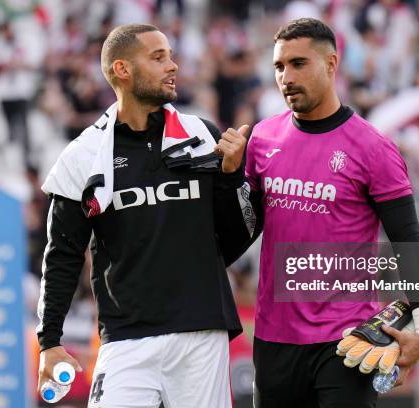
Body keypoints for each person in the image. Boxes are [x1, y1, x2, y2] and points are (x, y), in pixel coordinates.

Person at [36, 24, 255, 408]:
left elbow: (234, 239)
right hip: (125, 338)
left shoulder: (202, 134)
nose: (172, 66)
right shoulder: (82, 155)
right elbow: (62, 255)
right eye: (158, 58)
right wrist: (49, 342)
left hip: (202, 333)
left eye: (170, 56)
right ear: (122, 69)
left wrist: (232, 177)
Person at [245, 18, 419, 407]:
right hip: (272, 342)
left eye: (299, 63)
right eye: (279, 66)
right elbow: (241, 229)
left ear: (331, 65)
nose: (286, 76)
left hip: (346, 343)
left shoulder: (373, 147)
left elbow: (407, 240)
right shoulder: (262, 139)